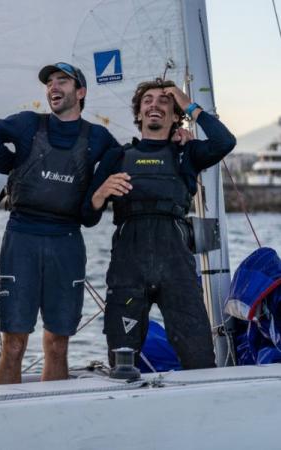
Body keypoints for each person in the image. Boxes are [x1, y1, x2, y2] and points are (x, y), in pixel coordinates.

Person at [0, 62, 120, 383]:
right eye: (49, 83)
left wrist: (178, 135)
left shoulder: (99, 139)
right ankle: (6, 420)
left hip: (66, 241)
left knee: (58, 344)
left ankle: (53, 420)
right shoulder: (28, 124)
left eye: (62, 81)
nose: (53, 87)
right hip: (22, 238)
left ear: (81, 92)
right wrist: (9, 163)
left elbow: (92, 213)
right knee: (14, 344)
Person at [88, 80, 236, 369]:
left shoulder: (187, 153)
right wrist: (101, 193)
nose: (154, 104)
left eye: (164, 101)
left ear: (174, 114)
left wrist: (189, 104)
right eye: (148, 101)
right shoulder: (116, 157)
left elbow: (225, 142)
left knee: (201, 360)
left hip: (176, 268)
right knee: (122, 363)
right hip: (128, 269)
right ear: (139, 113)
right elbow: (87, 216)